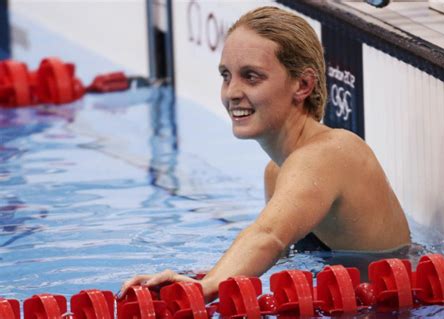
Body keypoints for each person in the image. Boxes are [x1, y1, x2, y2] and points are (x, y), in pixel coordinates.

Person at [119, 6, 410, 303]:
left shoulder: (327, 154)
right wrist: (193, 280)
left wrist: (199, 291)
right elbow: (273, 257)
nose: (232, 92)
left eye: (251, 77)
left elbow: (268, 236)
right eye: (226, 76)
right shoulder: (276, 170)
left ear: (303, 84)